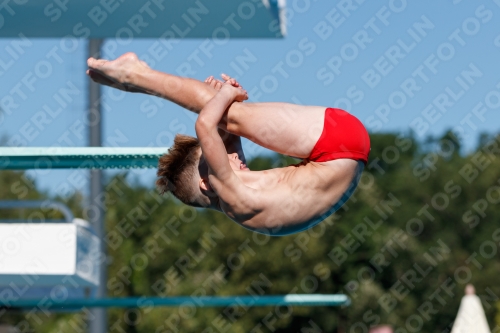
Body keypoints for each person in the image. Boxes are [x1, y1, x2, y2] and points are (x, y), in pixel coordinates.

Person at [86, 53, 370, 235]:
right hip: (336, 142)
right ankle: (134, 75)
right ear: (208, 184)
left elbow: (227, 136)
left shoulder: (238, 200)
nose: (235, 156)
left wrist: (218, 98)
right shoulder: (232, 195)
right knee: (230, 117)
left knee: (228, 118)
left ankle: (136, 78)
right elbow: (204, 125)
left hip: (345, 151)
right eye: (224, 157)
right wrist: (223, 95)